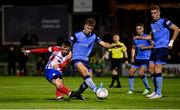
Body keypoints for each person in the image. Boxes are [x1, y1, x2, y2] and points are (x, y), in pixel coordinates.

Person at [134, 5, 179, 99]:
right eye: (152, 13)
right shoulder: (152, 24)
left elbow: (177, 29)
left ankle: (159, 93)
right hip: (155, 48)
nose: (153, 15)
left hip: (163, 47)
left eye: (155, 13)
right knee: (151, 69)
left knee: (158, 68)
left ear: (159, 13)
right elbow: (151, 37)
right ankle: (155, 91)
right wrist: (141, 37)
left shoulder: (165, 21)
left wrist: (171, 41)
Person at [68, 18, 119, 100]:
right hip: (76, 59)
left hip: (85, 60)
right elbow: (68, 45)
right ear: (85, 26)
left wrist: (114, 45)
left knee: (89, 80)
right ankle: (97, 90)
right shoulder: (76, 35)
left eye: (91, 29)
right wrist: (69, 53)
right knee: (85, 72)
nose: (89, 30)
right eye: (88, 28)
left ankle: (77, 94)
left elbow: (105, 44)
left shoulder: (94, 36)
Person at [127, 23, 152, 95]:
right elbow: (133, 48)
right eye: (137, 29)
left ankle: (147, 88)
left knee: (141, 72)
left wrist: (145, 48)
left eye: (140, 29)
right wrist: (132, 57)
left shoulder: (147, 37)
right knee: (131, 72)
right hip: (137, 58)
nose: (138, 30)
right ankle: (131, 89)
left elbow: (153, 46)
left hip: (145, 58)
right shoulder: (135, 38)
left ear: (143, 29)